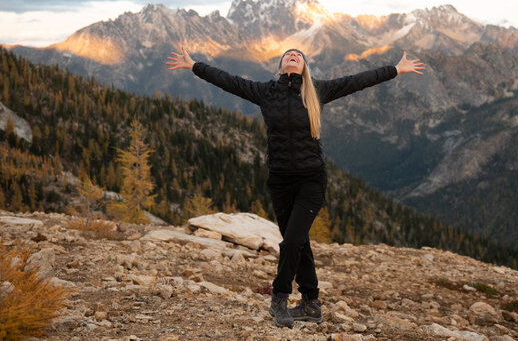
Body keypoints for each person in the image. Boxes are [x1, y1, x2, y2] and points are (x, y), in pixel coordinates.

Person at [167, 46, 425, 328]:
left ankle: (279, 297)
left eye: (299, 55)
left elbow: (357, 81)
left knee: (291, 241)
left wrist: (395, 69)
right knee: (298, 241)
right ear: (281, 65)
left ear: (304, 66)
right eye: (288, 55)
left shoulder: (317, 91)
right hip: (280, 180)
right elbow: (227, 80)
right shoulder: (265, 92)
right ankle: (312, 303)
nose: (293, 56)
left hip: (312, 179)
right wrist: (194, 65)